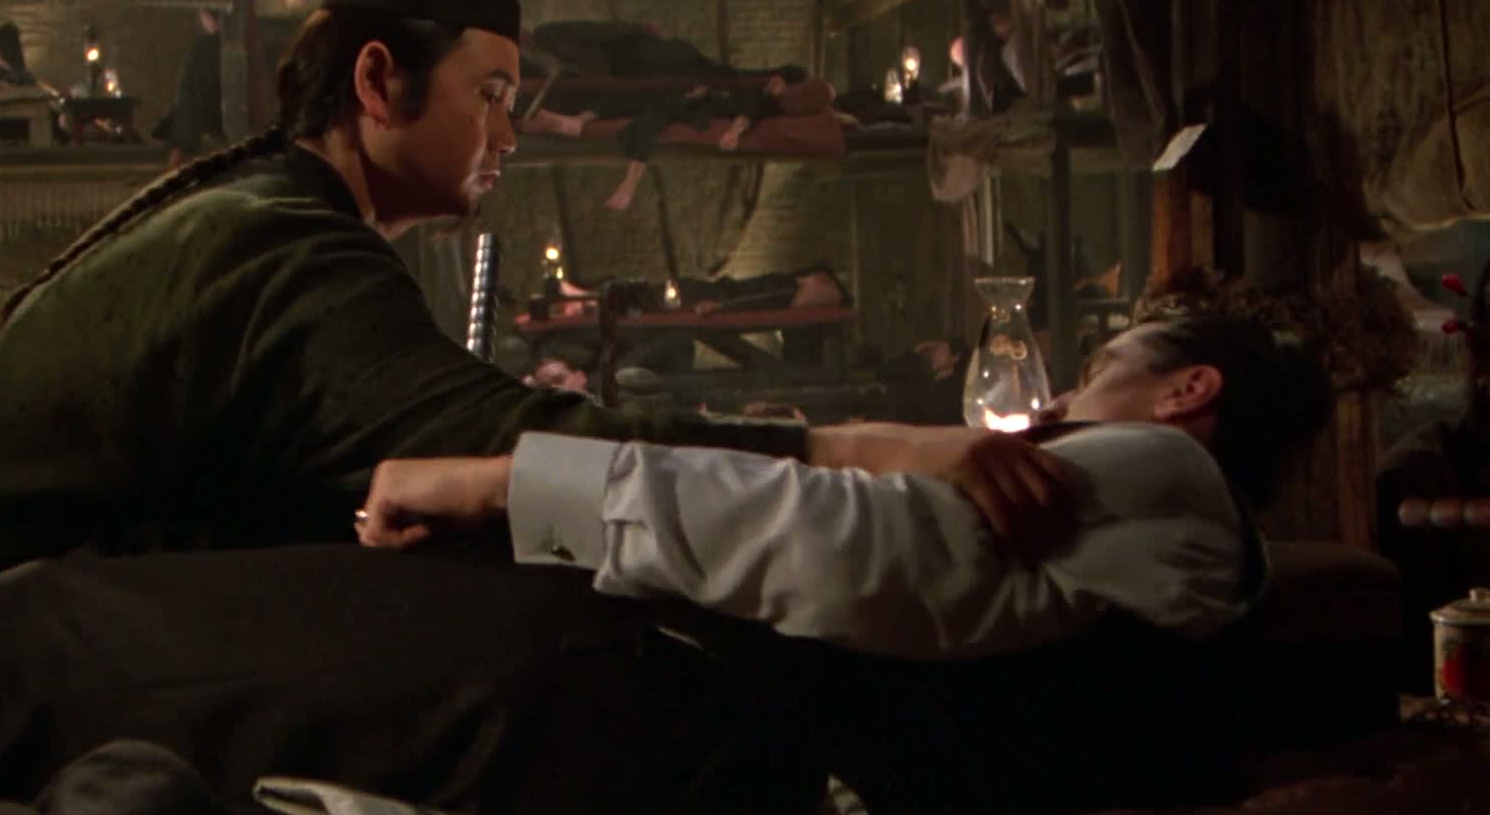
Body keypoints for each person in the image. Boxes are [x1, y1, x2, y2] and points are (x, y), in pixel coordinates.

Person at [0, 0, 931, 621]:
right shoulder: (287, 246)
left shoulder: (261, 210)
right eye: (491, 95)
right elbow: (539, 446)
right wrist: (856, 455)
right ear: (377, 81)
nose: (510, 135)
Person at [359, 314, 1330, 651]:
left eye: (1105, 366)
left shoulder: (1166, 464)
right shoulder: (1179, 512)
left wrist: (514, 485)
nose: (1070, 394)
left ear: (1187, 391)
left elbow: (840, 545)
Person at [151, 8, 226, 169]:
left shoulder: (203, 50)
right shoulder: (251, 46)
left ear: (206, 16)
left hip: (212, 141)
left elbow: (189, 99)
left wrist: (182, 144)